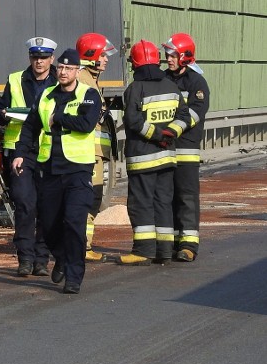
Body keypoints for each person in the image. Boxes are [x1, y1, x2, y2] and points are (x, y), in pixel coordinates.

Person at [12, 48, 102, 294]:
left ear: (77, 71)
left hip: (77, 171)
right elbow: (30, 127)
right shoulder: (45, 95)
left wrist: (59, 118)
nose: (63, 72)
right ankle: (61, 257)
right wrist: (20, 153)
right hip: (49, 169)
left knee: (74, 224)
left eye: (68, 68)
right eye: (60, 68)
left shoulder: (89, 95)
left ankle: (74, 277)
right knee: (49, 226)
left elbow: (86, 124)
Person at [119, 40, 189, 265]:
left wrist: (157, 136)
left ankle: (143, 249)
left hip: (143, 158)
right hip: (168, 156)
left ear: (135, 63)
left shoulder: (135, 88)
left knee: (141, 203)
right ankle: (165, 250)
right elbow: (185, 117)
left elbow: (133, 120)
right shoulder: (171, 86)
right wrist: (169, 134)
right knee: (163, 202)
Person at [0, 36, 57, 277]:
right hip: (20, 152)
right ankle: (25, 259)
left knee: (46, 206)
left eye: (43, 57)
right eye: (34, 57)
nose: (38, 61)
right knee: (24, 203)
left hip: (49, 151)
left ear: (51, 59)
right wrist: (5, 114)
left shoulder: (57, 82)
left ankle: (42, 259)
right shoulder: (16, 80)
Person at [163, 33, 210, 262]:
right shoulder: (163, 79)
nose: (167, 58)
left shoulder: (196, 83)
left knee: (186, 196)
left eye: (172, 54)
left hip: (185, 149)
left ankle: (189, 244)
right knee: (166, 195)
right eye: (167, 54)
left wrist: (172, 129)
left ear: (184, 56)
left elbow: (194, 113)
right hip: (163, 147)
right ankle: (170, 243)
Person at [75, 33, 117, 262]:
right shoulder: (83, 80)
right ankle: (82, 246)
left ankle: (85, 245)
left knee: (93, 199)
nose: (106, 59)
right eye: (103, 55)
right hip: (87, 152)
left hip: (95, 152)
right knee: (87, 199)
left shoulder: (91, 79)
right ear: (91, 56)